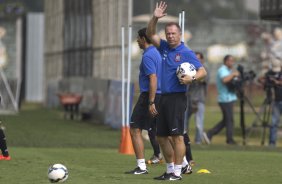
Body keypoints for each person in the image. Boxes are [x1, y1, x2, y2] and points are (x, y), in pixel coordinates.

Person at [147, 1, 207, 180]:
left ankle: (178, 172)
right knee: (161, 137)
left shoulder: (186, 52)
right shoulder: (164, 47)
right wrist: (155, 18)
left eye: (173, 33)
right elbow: (150, 33)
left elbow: (203, 71)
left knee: (177, 137)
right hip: (163, 97)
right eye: (168, 34)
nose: (171, 36)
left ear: (180, 34)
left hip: (177, 98)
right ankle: (169, 169)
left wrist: (192, 78)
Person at [125, 28, 162, 174]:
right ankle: (182, 164)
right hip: (160, 95)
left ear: (143, 38)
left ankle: (141, 167)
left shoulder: (148, 55)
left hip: (149, 95)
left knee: (135, 128)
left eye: (138, 38)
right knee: (164, 133)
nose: (137, 41)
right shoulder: (157, 53)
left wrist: (151, 101)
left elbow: (153, 78)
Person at [204, 55, 239, 145]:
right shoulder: (222, 70)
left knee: (226, 120)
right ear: (225, 61)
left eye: (233, 61)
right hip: (225, 99)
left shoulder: (228, 70)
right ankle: (229, 140)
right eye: (230, 61)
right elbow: (225, 80)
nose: (232, 62)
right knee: (229, 120)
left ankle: (209, 134)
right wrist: (233, 74)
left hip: (229, 98)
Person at [185, 52, 209, 144]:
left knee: (199, 122)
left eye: (199, 58)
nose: (197, 60)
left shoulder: (204, 70)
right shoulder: (189, 69)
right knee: (184, 121)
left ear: (202, 60)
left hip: (199, 99)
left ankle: (198, 141)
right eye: (195, 58)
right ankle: (185, 140)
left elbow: (202, 79)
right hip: (188, 99)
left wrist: (192, 76)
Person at [259, 59, 282, 146]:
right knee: (274, 123)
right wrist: (264, 80)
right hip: (276, 101)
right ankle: (272, 143)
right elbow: (261, 80)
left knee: (274, 122)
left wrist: (277, 82)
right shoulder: (271, 74)